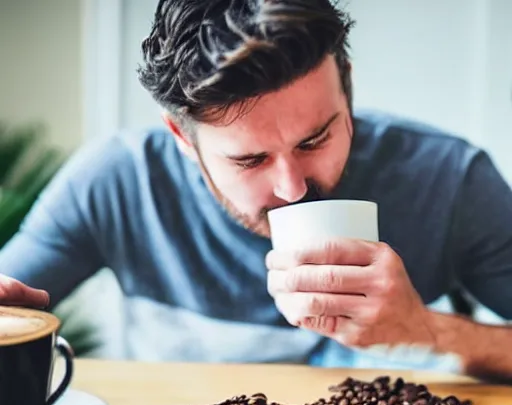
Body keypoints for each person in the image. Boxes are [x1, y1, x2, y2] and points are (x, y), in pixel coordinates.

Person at [1, 0, 511, 378]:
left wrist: (426, 330)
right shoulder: (117, 182)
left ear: (347, 89)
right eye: (250, 159)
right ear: (182, 137)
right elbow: (11, 301)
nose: (291, 188)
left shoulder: (450, 177)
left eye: (316, 139)